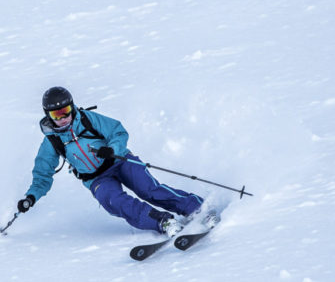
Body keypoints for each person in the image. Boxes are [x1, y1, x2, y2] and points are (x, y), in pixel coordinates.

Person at [16, 86, 204, 236]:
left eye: (65, 111)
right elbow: (42, 174)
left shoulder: (88, 119)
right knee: (113, 201)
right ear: (48, 115)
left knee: (148, 189)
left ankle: (195, 207)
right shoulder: (51, 141)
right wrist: (31, 197)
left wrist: (112, 149)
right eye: (56, 115)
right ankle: (162, 221)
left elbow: (118, 131)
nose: (63, 118)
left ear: (72, 107)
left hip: (119, 161)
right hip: (96, 178)